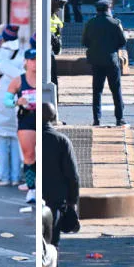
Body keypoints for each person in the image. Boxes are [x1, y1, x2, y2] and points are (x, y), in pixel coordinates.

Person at [82, 0, 128, 126]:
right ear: (109, 9)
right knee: (116, 89)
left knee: (97, 90)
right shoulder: (115, 23)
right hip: (111, 60)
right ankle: (119, 118)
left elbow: (85, 42)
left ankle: (96, 119)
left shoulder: (90, 23)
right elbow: (123, 42)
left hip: (96, 61)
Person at [41, 102, 80, 247]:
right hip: (55, 201)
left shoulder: (31, 137)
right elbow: (73, 175)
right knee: (52, 243)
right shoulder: (61, 141)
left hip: (41, 198)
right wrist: (73, 201)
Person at [6, 47, 38, 204]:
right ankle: (32, 189)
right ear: (26, 62)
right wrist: (17, 102)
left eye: (38, 60)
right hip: (26, 119)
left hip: (44, 118)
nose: (35, 64)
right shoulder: (18, 81)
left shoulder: (45, 78)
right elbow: (7, 101)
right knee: (29, 155)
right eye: (32, 60)